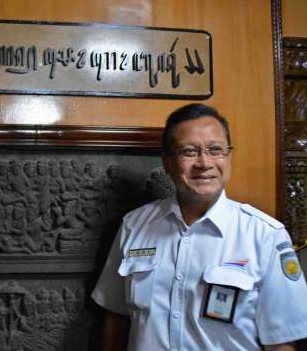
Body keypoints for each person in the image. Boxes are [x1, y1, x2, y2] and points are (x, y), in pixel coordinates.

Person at [91, 103, 307, 351]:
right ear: (167, 162)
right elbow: (116, 318)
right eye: (189, 151)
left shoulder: (265, 236)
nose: (204, 163)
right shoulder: (134, 226)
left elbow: (282, 343)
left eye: (215, 150)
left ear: (229, 156)